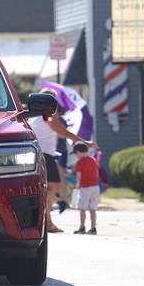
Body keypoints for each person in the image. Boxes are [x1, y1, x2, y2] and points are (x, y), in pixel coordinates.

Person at [28, 89, 98, 233]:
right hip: (45, 155)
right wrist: (85, 142)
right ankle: (46, 222)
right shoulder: (48, 114)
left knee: (48, 188)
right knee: (53, 187)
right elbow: (63, 132)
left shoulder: (33, 116)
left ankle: (46, 221)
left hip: (37, 154)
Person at [72, 142, 100, 235]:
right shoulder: (93, 160)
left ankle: (82, 227)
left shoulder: (80, 162)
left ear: (79, 152)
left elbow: (79, 175)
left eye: (76, 154)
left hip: (85, 187)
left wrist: (78, 184)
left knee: (82, 208)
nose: (76, 156)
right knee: (93, 209)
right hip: (95, 187)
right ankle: (93, 228)